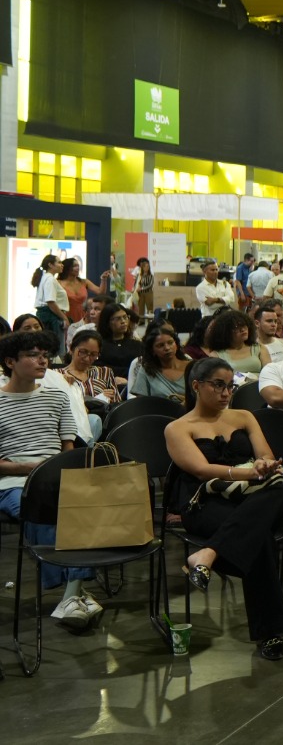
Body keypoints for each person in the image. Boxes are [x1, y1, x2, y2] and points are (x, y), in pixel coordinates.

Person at [164, 356, 283, 660]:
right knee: (258, 534)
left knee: (279, 491)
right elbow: (200, 470)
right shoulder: (177, 428)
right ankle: (269, 633)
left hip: (252, 496)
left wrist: (262, 464)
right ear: (197, 386)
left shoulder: (244, 416)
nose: (225, 393)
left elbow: (267, 458)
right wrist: (246, 472)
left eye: (230, 387)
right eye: (218, 385)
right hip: (204, 501)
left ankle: (208, 554)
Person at [0, 330, 101, 630]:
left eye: (45, 355)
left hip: (56, 481)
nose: (42, 361)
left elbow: (67, 451)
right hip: (12, 486)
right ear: (10, 362)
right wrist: (32, 468)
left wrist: (51, 471)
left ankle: (70, 595)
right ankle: (76, 591)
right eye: (33, 355)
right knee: (45, 509)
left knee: (84, 507)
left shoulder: (58, 397)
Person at [129, 327, 192, 401]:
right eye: (160, 345)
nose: (167, 348)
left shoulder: (192, 367)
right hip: (158, 411)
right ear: (153, 351)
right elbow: (142, 404)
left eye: (170, 342)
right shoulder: (146, 370)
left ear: (176, 344)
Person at [206, 308, 272, 374]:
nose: (243, 330)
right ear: (225, 332)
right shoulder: (216, 355)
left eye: (244, 325)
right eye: (236, 327)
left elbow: (270, 373)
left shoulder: (259, 348)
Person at [91, 303, 137, 385]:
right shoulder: (99, 345)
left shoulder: (137, 345)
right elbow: (99, 369)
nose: (123, 321)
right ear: (107, 322)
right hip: (107, 385)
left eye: (125, 317)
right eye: (118, 319)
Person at [32, 254, 70, 350]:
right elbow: (51, 302)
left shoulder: (45, 278)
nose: (62, 265)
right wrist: (65, 318)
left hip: (47, 315)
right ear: (50, 265)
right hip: (51, 317)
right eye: (59, 262)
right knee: (55, 348)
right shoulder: (50, 279)